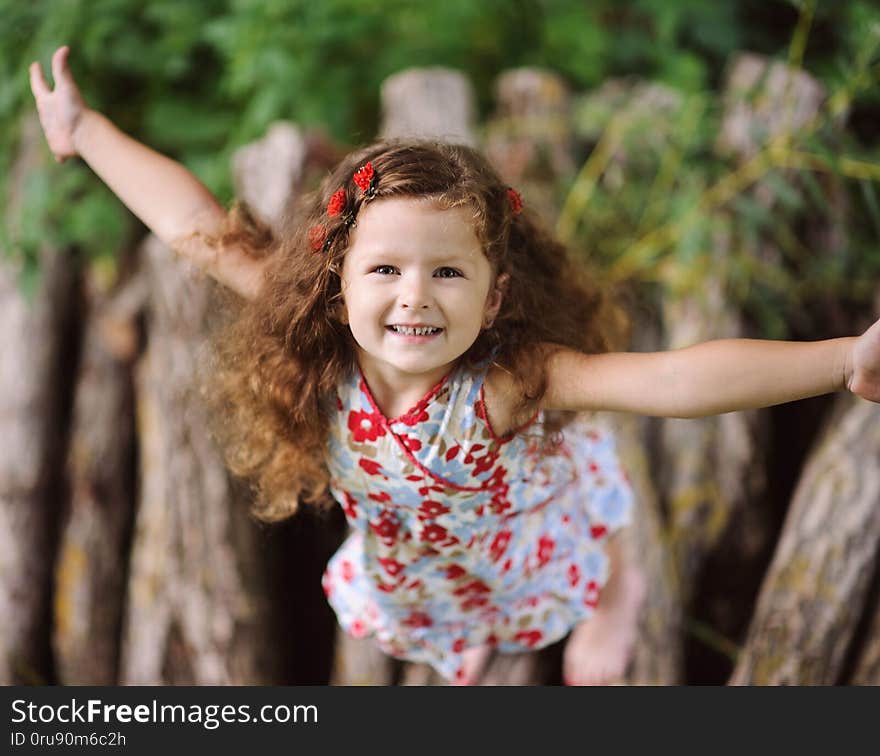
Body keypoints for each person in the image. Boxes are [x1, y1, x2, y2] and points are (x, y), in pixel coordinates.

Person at [30, 46, 880, 686]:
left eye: (447, 272)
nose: (415, 297)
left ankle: (616, 591)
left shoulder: (511, 384)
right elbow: (194, 227)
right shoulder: (326, 358)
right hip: (420, 558)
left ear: (495, 294)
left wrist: (845, 358)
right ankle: (469, 616)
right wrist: (85, 131)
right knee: (454, 604)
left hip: (526, 526)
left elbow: (672, 380)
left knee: (595, 518)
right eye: (386, 270)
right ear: (336, 284)